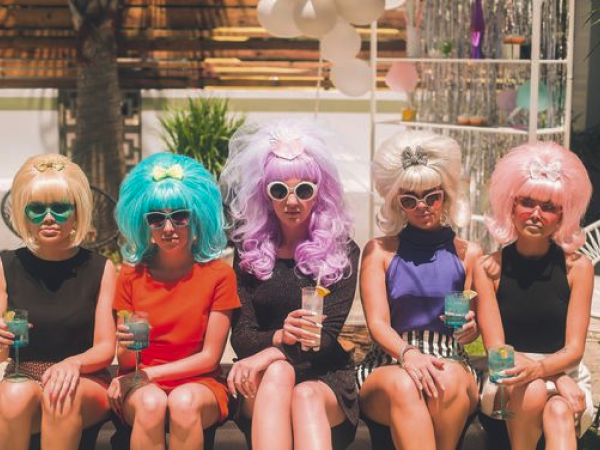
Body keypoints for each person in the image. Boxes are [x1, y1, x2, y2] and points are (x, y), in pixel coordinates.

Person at [220, 119, 360, 450]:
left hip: (324, 377)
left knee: (304, 394)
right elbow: (241, 337)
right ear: (266, 196)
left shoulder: (342, 252)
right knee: (280, 373)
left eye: (304, 190)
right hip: (263, 378)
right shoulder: (248, 251)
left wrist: (265, 353)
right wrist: (279, 340)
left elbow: (323, 341)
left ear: (319, 194)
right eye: (279, 190)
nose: (292, 201)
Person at [356, 130, 480, 450]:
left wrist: (471, 329)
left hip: (450, 360)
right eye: (410, 199)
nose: (422, 206)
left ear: (446, 196)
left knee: (447, 378)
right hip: (391, 360)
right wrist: (408, 354)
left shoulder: (468, 254)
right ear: (398, 202)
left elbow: (472, 322)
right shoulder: (379, 251)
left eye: (432, 197)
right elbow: (378, 324)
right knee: (403, 383)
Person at [107, 153, 240, 450]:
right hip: (140, 385)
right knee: (152, 402)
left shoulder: (219, 275)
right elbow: (128, 360)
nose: (169, 228)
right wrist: (127, 347)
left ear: (197, 217)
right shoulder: (131, 274)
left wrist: (148, 374)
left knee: (183, 401)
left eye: (179, 216)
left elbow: (210, 358)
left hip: (199, 382)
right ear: (146, 226)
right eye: (156, 219)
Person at [475, 141, 594, 449]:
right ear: (510, 205)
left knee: (557, 409)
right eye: (527, 202)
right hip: (508, 383)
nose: (535, 214)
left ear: (562, 215)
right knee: (537, 391)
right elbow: (497, 350)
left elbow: (574, 350)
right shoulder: (489, 268)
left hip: (565, 381)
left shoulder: (577, 268)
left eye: (549, 207)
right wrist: (549, 378)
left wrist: (552, 375)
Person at [0, 154, 117, 450]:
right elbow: (2, 356)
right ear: (24, 213)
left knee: (59, 394)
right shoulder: (6, 265)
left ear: (77, 212)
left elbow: (105, 347)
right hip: (23, 374)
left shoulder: (101, 268)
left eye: (60, 208)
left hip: (84, 378)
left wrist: (73, 363)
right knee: (13, 396)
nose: (48, 217)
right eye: (37, 209)